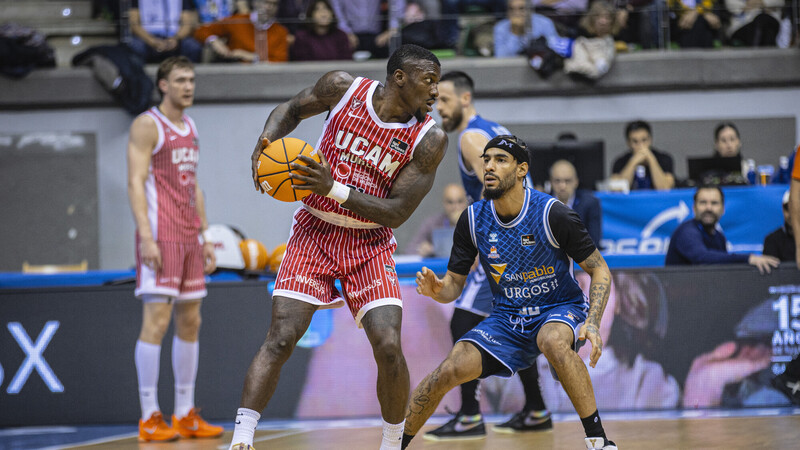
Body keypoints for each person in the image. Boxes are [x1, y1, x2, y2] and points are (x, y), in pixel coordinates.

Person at [228, 44, 448, 450]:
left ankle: (391, 442)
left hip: (370, 243)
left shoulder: (429, 139)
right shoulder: (342, 88)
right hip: (314, 231)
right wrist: (266, 141)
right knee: (280, 337)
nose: (436, 90)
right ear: (400, 77)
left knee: (387, 346)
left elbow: (397, 212)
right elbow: (290, 109)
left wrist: (333, 187)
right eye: (429, 80)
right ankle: (242, 439)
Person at [402, 134, 618, 450]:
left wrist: (594, 323)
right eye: (486, 159)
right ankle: (394, 445)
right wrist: (438, 290)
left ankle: (599, 441)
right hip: (508, 319)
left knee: (551, 340)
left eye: (500, 160)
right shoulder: (473, 219)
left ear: (521, 170)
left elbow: (599, 269)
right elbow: (453, 287)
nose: (489, 166)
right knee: (448, 370)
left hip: (559, 307)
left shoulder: (552, 213)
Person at [426, 71, 552, 440]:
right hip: (523, 242)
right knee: (517, 323)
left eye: (444, 100)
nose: (438, 108)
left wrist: (490, 242)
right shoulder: (494, 128)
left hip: (502, 246)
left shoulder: (470, 138)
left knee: (462, 322)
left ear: (465, 99)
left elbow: (499, 192)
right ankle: (537, 409)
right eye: (436, 102)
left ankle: (469, 415)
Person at [126, 56, 222, 442]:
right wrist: (146, 237)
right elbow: (135, 183)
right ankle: (149, 415)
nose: (188, 86)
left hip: (188, 236)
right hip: (160, 235)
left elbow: (193, 185)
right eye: (180, 80)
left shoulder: (191, 126)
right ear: (163, 84)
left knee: (191, 321)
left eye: (192, 79)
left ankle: (184, 413)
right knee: (157, 322)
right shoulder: (148, 124)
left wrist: (205, 234)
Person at [665, 185, 780, 273]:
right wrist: (748, 258)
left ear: (723, 209)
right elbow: (702, 258)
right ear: (694, 208)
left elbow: (722, 269)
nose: (708, 208)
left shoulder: (719, 237)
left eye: (714, 203)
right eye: (703, 203)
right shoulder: (687, 232)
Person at [193, 0, 289, 63]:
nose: (269, 7)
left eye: (274, 4)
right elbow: (201, 31)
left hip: (265, 78)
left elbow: (280, 63)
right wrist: (214, 41)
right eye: (265, 2)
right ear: (255, 2)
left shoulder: (280, 31)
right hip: (235, 74)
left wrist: (252, 57)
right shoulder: (238, 21)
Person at [127, 0, 203, 63]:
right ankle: (138, 79)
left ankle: (187, 78)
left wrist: (175, 39)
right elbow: (134, 24)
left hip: (174, 37)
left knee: (193, 46)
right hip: (147, 38)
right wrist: (152, 41)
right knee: (134, 46)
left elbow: (187, 24)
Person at [404, 183, 467, 257]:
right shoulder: (433, 223)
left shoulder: (474, 223)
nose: (455, 207)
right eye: (450, 202)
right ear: (444, 203)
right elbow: (409, 249)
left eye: (460, 201)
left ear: (466, 202)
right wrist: (426, 250)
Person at [550, 159, 602, 246]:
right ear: (551, 182)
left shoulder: (590, 203)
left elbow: (593, 241)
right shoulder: (541, 204)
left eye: (567, 181)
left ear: (576, 182)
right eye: (557, 181)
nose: (562, 186)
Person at [611, 120, 675, 191]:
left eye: (644, 140)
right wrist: (633, 162)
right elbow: (618, 189)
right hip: (631, 201)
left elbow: (665, 188)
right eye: (635, 142)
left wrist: (651, 159)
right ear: (628, 143)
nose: (640, 146)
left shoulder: (664, 159)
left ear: (650, 140)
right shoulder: (620, 161)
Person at [330, 0, 406, 59]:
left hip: (379, 36)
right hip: (347, 36)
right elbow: (336, 11)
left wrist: (391, 30)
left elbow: (397, 4)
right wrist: (346, 33)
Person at [493, 0, 563, 58]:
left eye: (521, 8)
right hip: (512, 69)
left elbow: (557, 49)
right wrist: (515, 32)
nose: (516, 13)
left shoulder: (544, 23)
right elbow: (500, 57)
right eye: (511, 9)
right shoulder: (500, 27)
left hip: (540, 68)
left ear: (530, 10)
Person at [762, 190, 795, 261]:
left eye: (795, 209)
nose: (791, 213)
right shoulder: (772, 240)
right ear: (783, 209)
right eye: (787, 208)